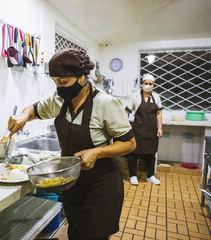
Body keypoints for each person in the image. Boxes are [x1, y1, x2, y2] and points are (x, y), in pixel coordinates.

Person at [7, 49, 136, 239]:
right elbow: (33, 110)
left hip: (100, 185)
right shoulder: (59, 100)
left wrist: (97, 152)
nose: (59, 87)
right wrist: (22, 116)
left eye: (63, 82)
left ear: (82, 77)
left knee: (94, 235)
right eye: (55, 82)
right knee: (75, 232)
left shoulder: (106, 104)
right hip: (72, 184)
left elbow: (129, 144)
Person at [125, 73, 163, 185]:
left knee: (151, 154)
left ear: (153, 85)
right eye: (146, 83)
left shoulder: (156, 97)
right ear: (142, 84)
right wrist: (123, 126)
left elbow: (159, 113)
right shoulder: (135, 96)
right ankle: (133, 176)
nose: (148, 85)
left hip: (152, 130)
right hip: (137, 129)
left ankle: (150, 176)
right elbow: (127, 112)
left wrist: (160, 128)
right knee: (133, 153)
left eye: (150, 84)